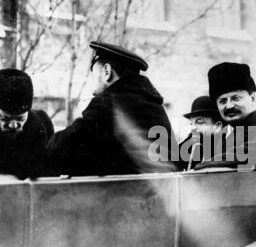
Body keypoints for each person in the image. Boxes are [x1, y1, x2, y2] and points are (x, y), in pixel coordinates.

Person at [47, 41, 177, 176]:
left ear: (106, 71)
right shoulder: (156, 107)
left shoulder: (107, 104)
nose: (93, 86)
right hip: (161, 194)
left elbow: (61, 149)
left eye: (93, 75)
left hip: (121, 194)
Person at [196, 62, 256, 170]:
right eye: (222, 101)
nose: (229, 106)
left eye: (235, 98)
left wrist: (207, 163)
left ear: (252, 98)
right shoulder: (229, 137)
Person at [0, 69, 54, 179]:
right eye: (5, 118)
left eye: (20, 118)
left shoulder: (43, 123)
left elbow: (51, 168)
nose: (14, 125)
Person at [180, 96, 226, 170]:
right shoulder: (191, 142)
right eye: (192, 123)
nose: (193, 127)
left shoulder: (228, 148)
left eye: (200, 122)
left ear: (217, 127)